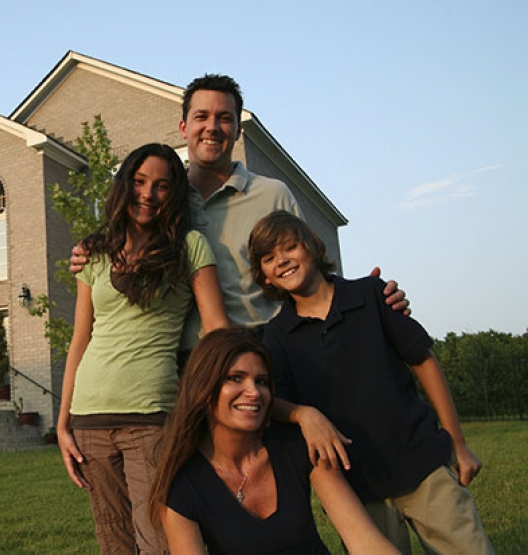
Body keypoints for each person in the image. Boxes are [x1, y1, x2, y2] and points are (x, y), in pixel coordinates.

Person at [70, 74, 409, 345]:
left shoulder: (272, 195)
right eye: (201, 117)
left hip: (267, 348)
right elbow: (126, 248)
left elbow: (309, 273)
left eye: (224, 118)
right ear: (184, 128)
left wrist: (371, 298)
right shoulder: (164, 202)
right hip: (185, 357)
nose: (212, 127)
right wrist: (89, 250)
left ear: (237, 129)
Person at [249, 210, 494, 554]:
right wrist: (304, 415)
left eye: (289, 247)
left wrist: (458, 441)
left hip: (422, 465)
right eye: (269, 258)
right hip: (357, 486)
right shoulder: (276, 336)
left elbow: (423, 359)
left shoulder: (371, 295)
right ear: (265, 278)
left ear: (313, 247)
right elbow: (273, 401)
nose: (282, 260)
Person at [58, 143, 230, 554]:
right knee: (114, 541)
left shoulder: (189, 246)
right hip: (89, 419)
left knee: (159, 539)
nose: (147, 194)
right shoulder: (94, 254)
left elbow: (217, 329)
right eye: (138, 182)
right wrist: (62, 422)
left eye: (161, 186)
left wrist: (209, 404)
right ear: (123, 186)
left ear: (173, 195)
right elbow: (80, 340)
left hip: (151, 417)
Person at [150, 327, 397, 554]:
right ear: (203, 388)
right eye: (236, 378)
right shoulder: (182, 487)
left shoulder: (296, 446)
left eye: (261, 381)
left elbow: (365, 541)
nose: (254, 392)